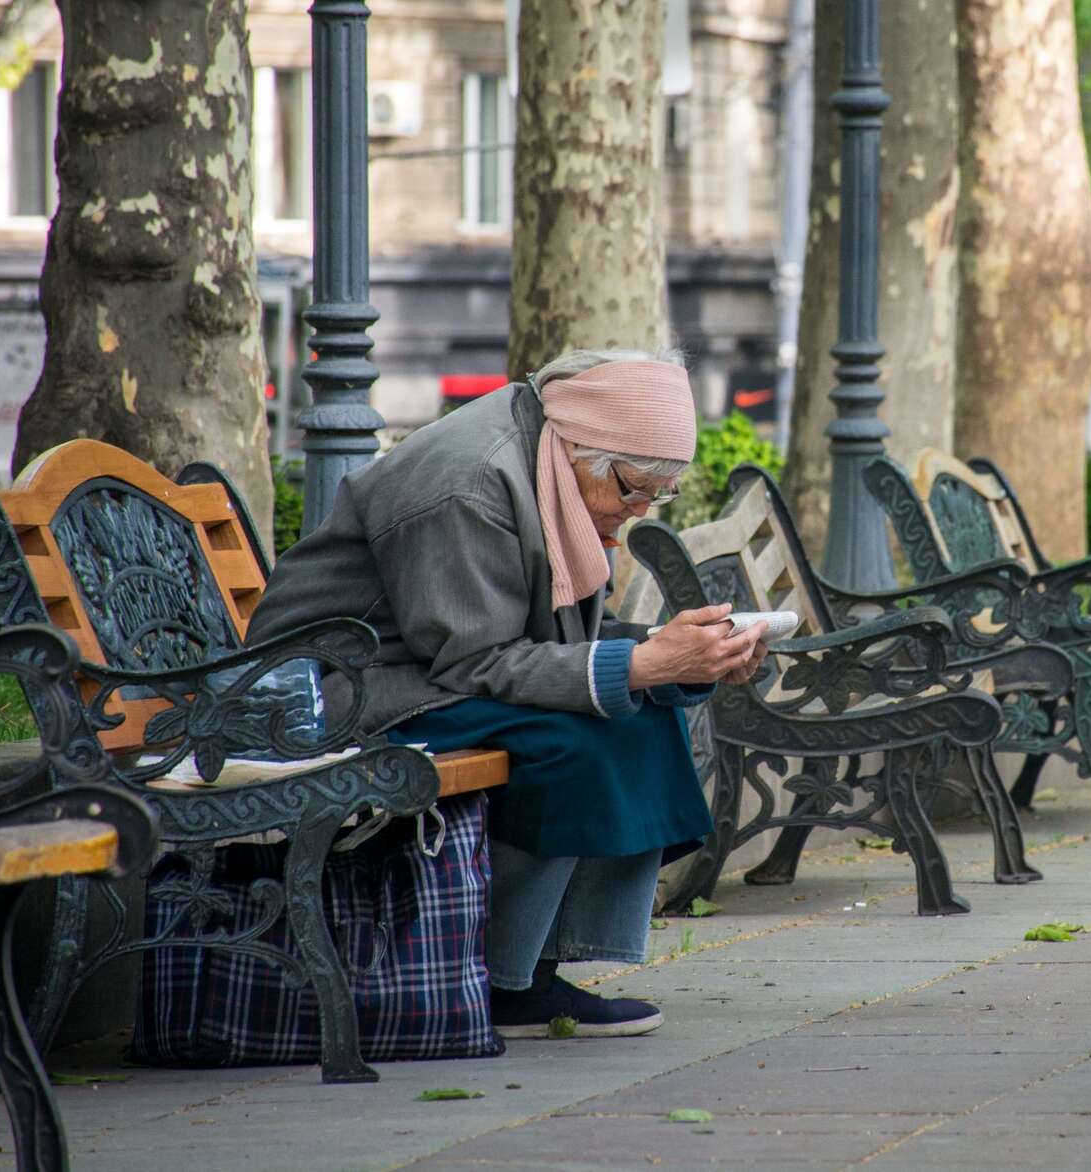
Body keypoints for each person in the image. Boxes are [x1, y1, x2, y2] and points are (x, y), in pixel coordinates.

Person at [246, 349, 768, 1038]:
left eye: (656, 498)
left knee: (638, 719)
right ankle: (499, 981)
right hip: (331, 691)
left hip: (424, 669)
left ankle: (538, 969)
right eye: (633, 490)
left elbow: (533, 640)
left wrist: (683, 660)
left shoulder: (551, 462)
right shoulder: (469, 481)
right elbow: (480, 661)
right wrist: (643, 664)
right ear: (584, 451)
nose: (637, 513)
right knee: (565, 743)